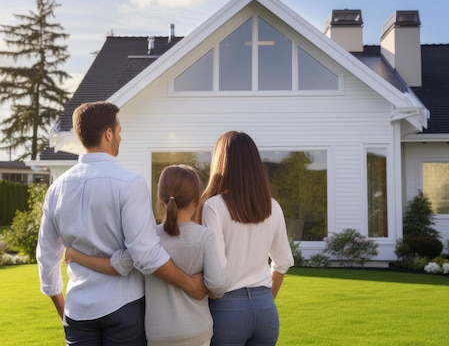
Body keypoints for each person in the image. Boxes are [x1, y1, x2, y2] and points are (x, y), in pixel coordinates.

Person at [36, 101, 207, 346]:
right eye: (119, 131)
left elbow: (46, 257)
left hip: (78, 311)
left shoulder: (56, 189)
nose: (120, 136)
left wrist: (63, 310)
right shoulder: (130, 183)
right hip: (123, 308)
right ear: (108, 134)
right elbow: (145, 254)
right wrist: (190, 284)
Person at [65, 164, 229, 346]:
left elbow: (117, 266)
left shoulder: (148, 239)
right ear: (197, 200)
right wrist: (205, 286)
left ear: (160, 198)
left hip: (158, 335)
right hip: (197, 332)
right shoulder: (205, 237)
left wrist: (75, 254)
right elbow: (219, 285)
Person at [193, 131, 294, 346]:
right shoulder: (272, 206)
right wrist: (263, 301)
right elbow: (283, 262)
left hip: (227, 309)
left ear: (221, 162)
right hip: (266, 308)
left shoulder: (213, 206)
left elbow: (216, 270)